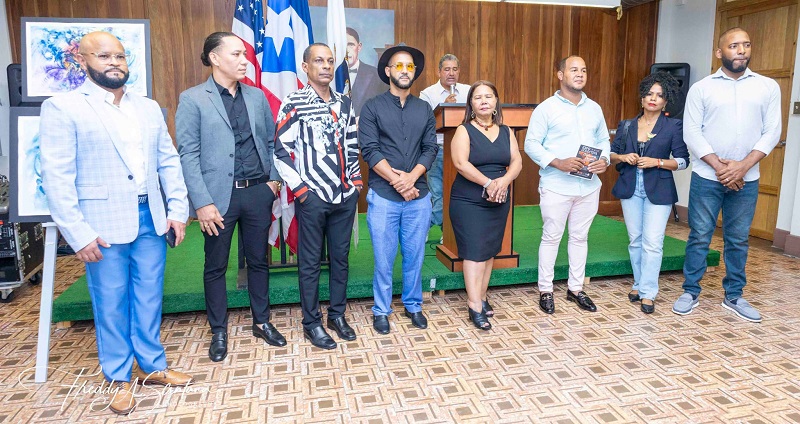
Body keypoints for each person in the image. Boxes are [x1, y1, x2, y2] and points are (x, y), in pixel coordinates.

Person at [40, 31, 192, 415]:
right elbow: (57, 177)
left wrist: (177, 209)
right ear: (82, 60)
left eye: (120, 56)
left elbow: (168, 160)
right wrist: (78, 233)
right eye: (104, 56)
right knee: (110, 302)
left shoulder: (148, 107)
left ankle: (152, 366)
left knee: (149, 295)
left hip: (151, 217)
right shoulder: (63, 108)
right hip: (101, 224)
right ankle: (119, 377)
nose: (114, 63)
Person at [176, 32, 286, 362]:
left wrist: (273, 182)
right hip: (217, 199)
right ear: (214, 58)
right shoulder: (193, 99)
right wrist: (202, 203)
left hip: (257, 192)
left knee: (258, 261)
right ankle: (218, 330)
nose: (244, 60)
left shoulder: (256, 97)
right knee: (216, 266)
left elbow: (272, 142)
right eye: (236, 54)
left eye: (244, 54)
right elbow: (188, 154)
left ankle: (262, 322)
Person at [672, 27, 781, 322]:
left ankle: (734, 295)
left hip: (747, 179)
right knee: (699, 235)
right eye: (734, 46)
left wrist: (743, 166)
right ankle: (690, 291)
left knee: (738, 239)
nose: (741, 50)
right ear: (720, 52)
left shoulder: (767, 87)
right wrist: (722, 169)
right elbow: (691, 132)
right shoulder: (702, 88)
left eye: (746, 45)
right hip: (708, 177)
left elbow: (772, 131)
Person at [274, 43, 362, 350]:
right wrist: (301, 191)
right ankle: (312, 323)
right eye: (318, 61)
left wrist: (355, 184)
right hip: (312, 197)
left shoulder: (345, 102)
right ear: (305, 67)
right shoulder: (294, 102)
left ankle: (337, 315)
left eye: (330, 61)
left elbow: (352, 145)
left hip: (344, 196)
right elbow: (280, 151)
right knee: (310, 263)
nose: (325, 66)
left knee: (340, 259)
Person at [358, 44, 438, 335]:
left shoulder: (424, 109)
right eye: (399, 66)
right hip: (384, 196)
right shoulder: (372, 107)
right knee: (384, 258)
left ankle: (413, 305)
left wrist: (412, 178)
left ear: (414, 72)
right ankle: (381, 310)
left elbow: (430, 148)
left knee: (415, 256)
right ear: (388, 71)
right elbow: (370, 150)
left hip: (418, 196)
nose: (405, 71)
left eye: (410, 66)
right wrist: (399, 182)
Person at [524, 55, 610, 315]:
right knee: (551, 237)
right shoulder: (546, 108)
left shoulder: (594, 108)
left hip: (589, 186)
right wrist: (557, 162)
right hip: (556, 185)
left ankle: (575, 288)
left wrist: (605, 160)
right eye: (574, 70)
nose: (580, 74)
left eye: (583, 70)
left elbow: (603, 140)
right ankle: (545, 290)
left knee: (580, 237)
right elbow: (531, 144)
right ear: (560, 75)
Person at [610, 72, 690, 314]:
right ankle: (638, 284)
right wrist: (623, 156)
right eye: (649, 94)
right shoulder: (626, 125)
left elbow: (683, 161)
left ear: (666, 101)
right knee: (635, 240)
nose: (653, 98)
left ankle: (648, 292)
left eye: (660, 95)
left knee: (653, 243)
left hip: (660, 189)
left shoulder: (674, 126)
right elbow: (611, 155)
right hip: (630, 187)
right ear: (642, 98)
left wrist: (658, 162)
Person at [449, 80, 522, 330]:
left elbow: (517, 161)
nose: (483, 101)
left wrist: (504, 181)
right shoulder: (463, 130)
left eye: (488, 96)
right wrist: (489, 183)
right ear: (471, 103)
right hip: (469, 200)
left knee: (489, 251)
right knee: (474, 252)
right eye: (478, 97)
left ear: (496, 101)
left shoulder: (506, 131)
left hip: (499, 198)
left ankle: (481, 296)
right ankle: (473, 305)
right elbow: (461, 164)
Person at [420, 54, 471, 233]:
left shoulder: (469, 91)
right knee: (438, 195)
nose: (451, 73)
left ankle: (443, 232)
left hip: (464, 151)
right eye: (447, 69)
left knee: (459, 195)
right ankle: (427, 229)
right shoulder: (427, 94)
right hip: (437, 151)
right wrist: (443, 107)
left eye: (455, 69)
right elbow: (423, 124)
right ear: (439, 72)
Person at [346, 27, 388, 116]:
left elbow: (385, 108)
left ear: (359, 47)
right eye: (342, 45)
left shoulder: (377, 75)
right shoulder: (328, 75)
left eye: (351, 45)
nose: (347, 50)